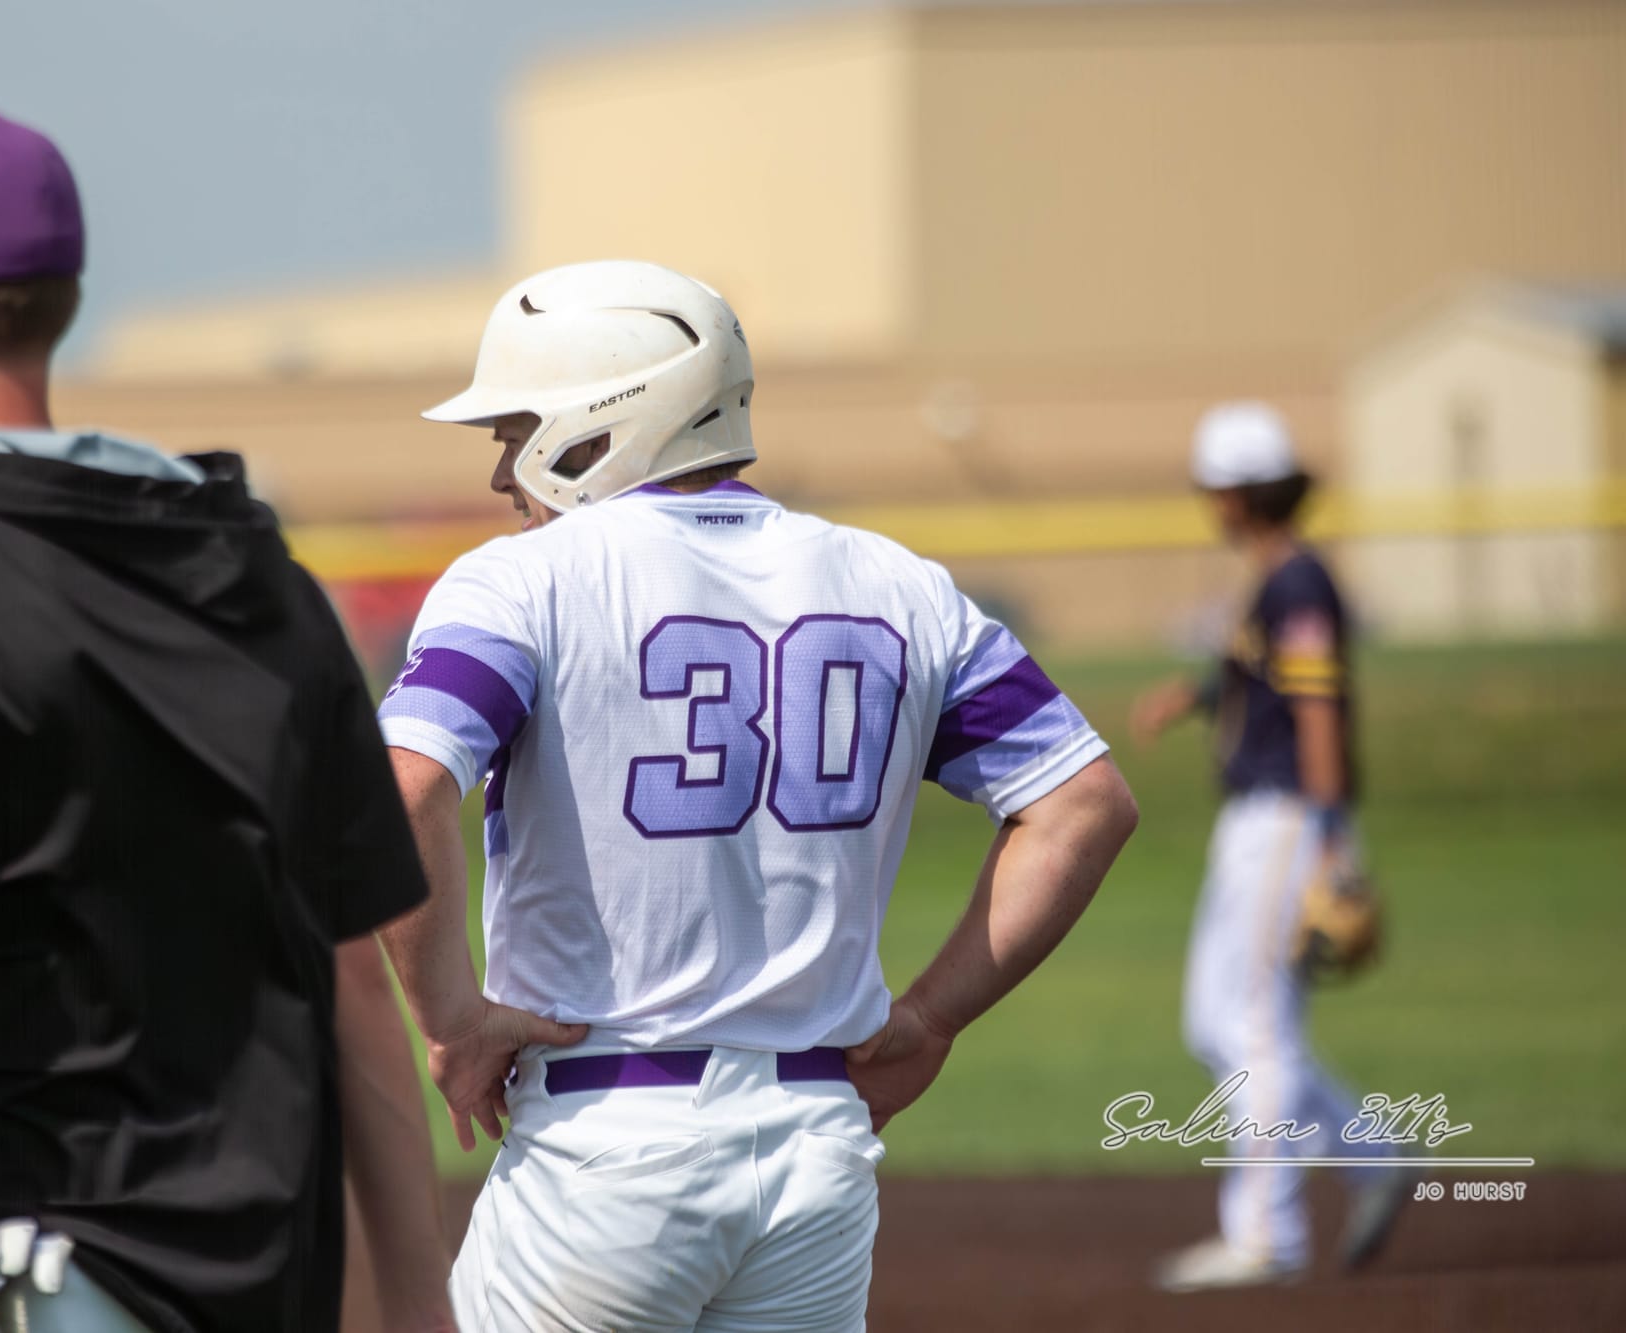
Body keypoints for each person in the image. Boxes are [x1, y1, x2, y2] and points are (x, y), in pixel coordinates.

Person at [0, 101, 450, 1333]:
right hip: (253, 1296)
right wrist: (424, 1310)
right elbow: (351, 979)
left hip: (0, 1291)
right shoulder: (265, 587)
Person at [374, 260, 1140, 1330]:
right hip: (816, 1155)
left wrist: (451, 1020)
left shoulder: (521, 579)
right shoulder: (899, 583)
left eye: (516, 432)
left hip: (604, 1140)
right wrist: (930, 1016)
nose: (505, 471)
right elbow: (1083, 803)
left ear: (597, 428)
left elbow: (400, 789)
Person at [1131, 402, 1408, 1291]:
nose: (1208, 501)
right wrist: (1192, 696)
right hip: (1258, 817)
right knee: (1213, 1019)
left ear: (1244, 493)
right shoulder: (1275, 577)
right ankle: (1371, 1153)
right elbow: (1261, 679)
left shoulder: (1298, 583)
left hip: (1290, 815)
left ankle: (1265, 1234)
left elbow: (1317, 710)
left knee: (1253, 1024)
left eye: (1215, 487)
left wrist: (1332, 841)